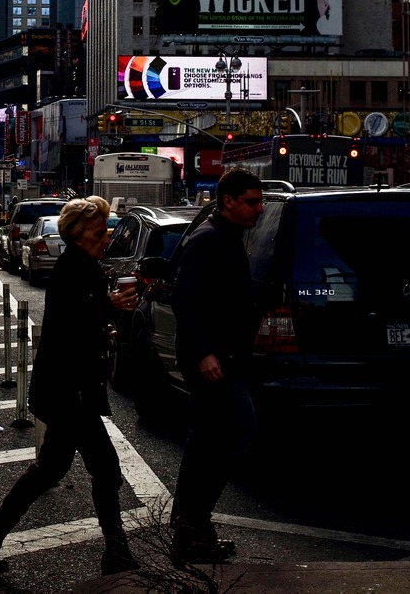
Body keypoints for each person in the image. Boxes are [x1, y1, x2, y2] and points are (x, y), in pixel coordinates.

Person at [0, 196, 141, 576]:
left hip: (64, 389)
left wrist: (106, 317)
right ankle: (117, 552)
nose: (105, 237)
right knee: (106, 470)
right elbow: (74, 324)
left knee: (51, 469)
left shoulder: (83, 266)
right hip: (69, 392)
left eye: (106, 229)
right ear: (78, 234)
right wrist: (110, 309)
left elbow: (79, 323)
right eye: (98, 231)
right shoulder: (77, 268)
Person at [166, 167, 265, 565]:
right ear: (228, 201)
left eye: (260, 202)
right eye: (252, 202)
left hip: (228, 359)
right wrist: (205, 352)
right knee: (232, 435)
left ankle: (192, 527)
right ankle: (191, 524)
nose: (258, 209)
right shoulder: (209, 240)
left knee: (211, 440)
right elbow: (185, 301)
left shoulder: (227, 237)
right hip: (213, 362)